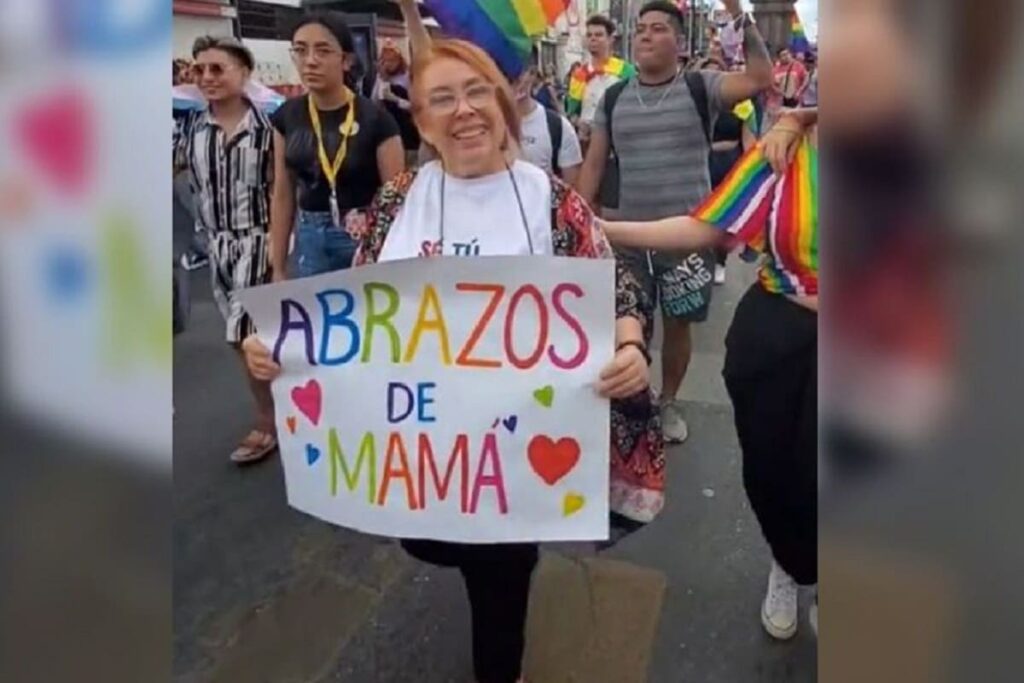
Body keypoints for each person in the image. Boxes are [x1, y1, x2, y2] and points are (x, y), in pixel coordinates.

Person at [242, 38, 662, 683]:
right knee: (432, 543)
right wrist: (284, 346)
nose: (463, 110)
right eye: (442, 99)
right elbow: (357, 313)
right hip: (428, 455)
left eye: (476, 92)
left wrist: (629, 343)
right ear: (423, 122)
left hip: (517, 450)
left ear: (502, 104)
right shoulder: (396, 200)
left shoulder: (550, 199)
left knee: (500, 580)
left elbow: (614, 284)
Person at [601, 108, 819, 641]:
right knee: (771, 469)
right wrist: (600, 228)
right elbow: (704, 226)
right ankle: (790, 562)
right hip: (777, 337)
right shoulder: (787, 151)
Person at [578, 0, 773, 444]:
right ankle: (632, 403)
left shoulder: (701, 87)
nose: (645, 35)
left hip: (687, 240)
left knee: (678, 325)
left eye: (658, 28)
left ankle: (668, 401)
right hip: (624, 238)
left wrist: (738, 15)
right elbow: (593, 164)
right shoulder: (613, 97)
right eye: (641, 29)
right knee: (626, 323)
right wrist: (579, 218)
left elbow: (761, 78)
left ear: (680, 42)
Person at [173, 36, 277, 464]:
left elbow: (282, 189)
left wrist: (279, 248)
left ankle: (267, 423)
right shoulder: (191, 129)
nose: (207, 78)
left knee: (243, 335)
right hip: (216, 245)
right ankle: (285, 410)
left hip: (259, 240)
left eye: (218, 69)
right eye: (200, 70)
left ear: (244, 73)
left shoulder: (269, 128)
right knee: (249, 341)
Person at [268, 12, 404, 281]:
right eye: (300, 50)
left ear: (346, 60)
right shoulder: (287, 116)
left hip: (364, 236)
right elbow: (283, 194)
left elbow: (395, 202)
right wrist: (279, 266)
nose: (310, 61)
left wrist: (391, 263)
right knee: (313, 306)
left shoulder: (377, 119)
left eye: (323, 50)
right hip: (310, 238)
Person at [564, 15, 636, 150]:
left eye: (599, 35)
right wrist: (580, 124)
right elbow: (572, 112)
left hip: (620, 143)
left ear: (610, 39)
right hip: (588, 143)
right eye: (589, 35)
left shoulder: (626, 71)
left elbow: (635, 107)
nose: (593, 38)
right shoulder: (579, 74)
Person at [512, 52, 583, 184]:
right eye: (506, 74)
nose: (515, 81)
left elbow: (572, 189)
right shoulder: (485, 128)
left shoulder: (558, 127)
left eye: (519, 73)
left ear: (532, 74)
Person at [373, 38, 421, 162]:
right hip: (389, 133)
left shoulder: (407, 77)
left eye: (392, 60)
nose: (389, 64)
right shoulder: (381, 77)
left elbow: (416, 106)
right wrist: (381, 79)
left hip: (409, 134)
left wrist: (395, 99)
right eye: (385, 60)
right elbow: (373, 104)